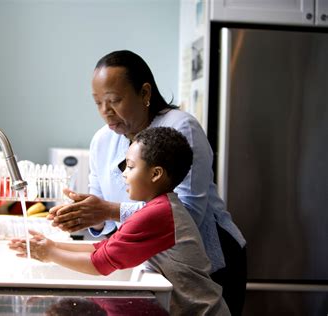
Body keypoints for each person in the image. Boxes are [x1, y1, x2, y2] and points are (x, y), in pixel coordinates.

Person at [48, 50, 247, 315]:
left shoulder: (180, 127)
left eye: (114, 100)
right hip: (154, 266)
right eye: (98, 103)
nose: (106, 112)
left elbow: (187, 215)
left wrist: (108, 210)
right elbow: (104, 220)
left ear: (144, 93)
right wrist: (84, 215)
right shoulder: (102, 141)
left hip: (211, 266)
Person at [10, 127, 230, 315]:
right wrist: (52, 245)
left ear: (156, 174)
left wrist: (48, 253)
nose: (124, 173)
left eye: (131, 166)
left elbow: (99, 264)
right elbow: (102, 247)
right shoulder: (159, 208)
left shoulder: (159, 214)